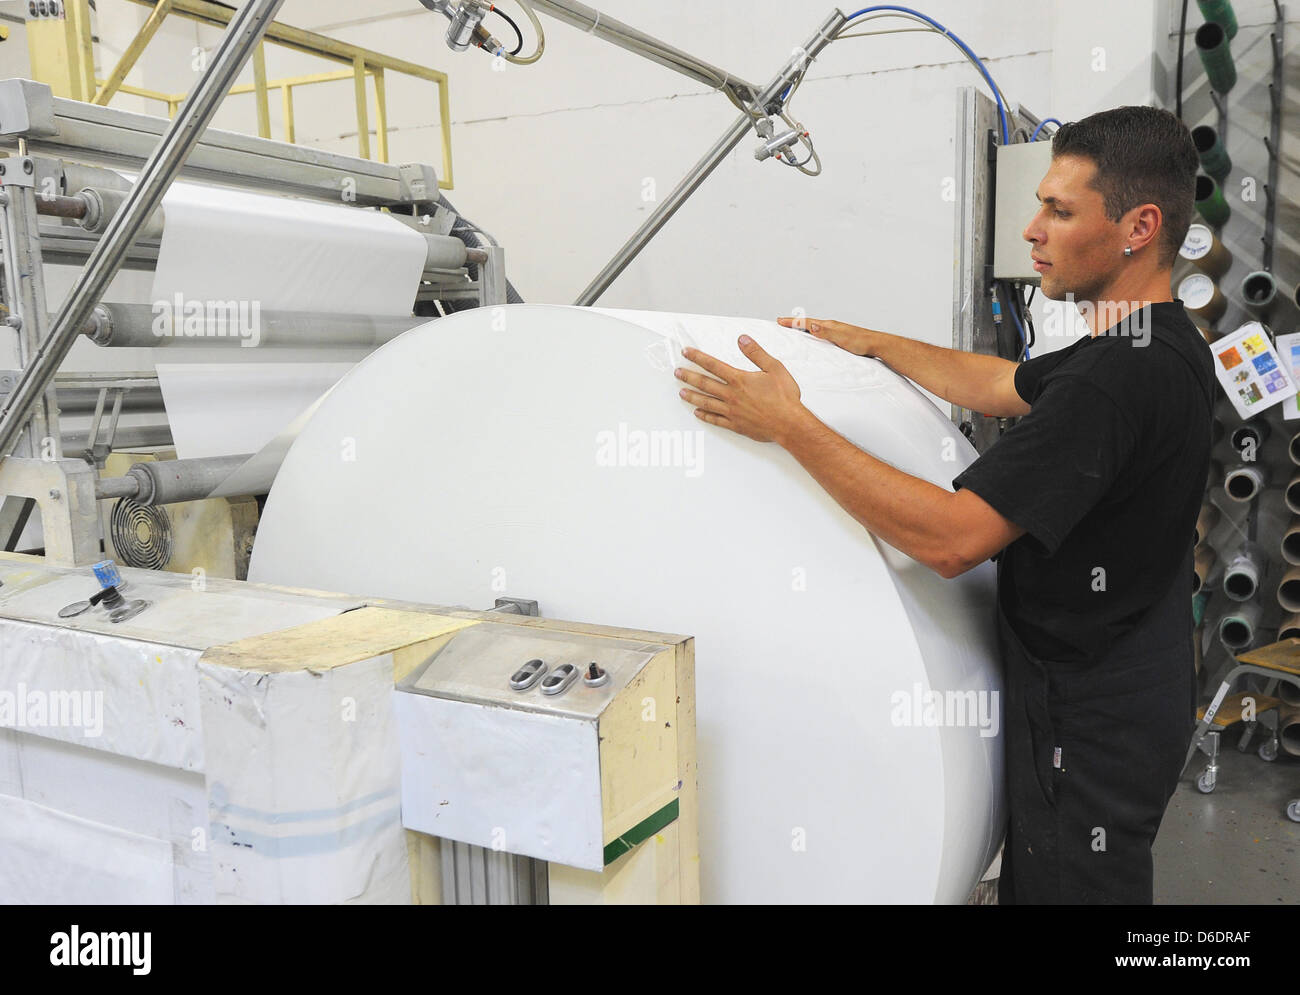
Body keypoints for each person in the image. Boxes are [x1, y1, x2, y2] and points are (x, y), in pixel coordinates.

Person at [673, 104, 1214, 904]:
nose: (1031, 230)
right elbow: (1001, 384)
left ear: (1139, 225)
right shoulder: (1155, 339)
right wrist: (876, 345)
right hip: (1140, 667)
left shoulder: (1114, 378)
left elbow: (952, 537)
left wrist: (789, 424)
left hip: (1093, 715)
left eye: (1059, 211)